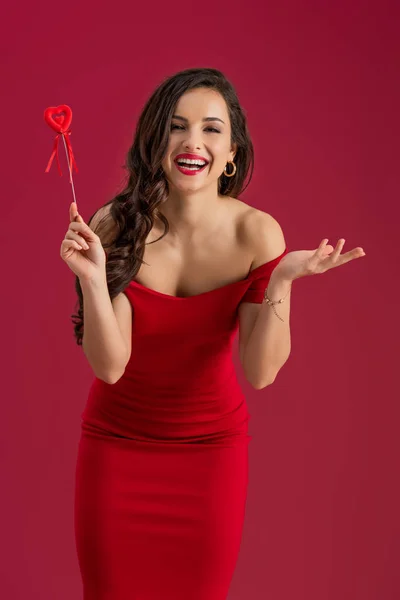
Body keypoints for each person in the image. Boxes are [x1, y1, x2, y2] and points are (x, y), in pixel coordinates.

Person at [60, 67, 366, 600]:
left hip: (210, 456)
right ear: (156, 143)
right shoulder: (116, 224)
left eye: (211, 128)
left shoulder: (256, 232)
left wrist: (283, 280)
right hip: (117, 449)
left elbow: (261, 372)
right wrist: (90, 278)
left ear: (231, 153)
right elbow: (110, 365)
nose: (192, 142)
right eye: (176, 127)